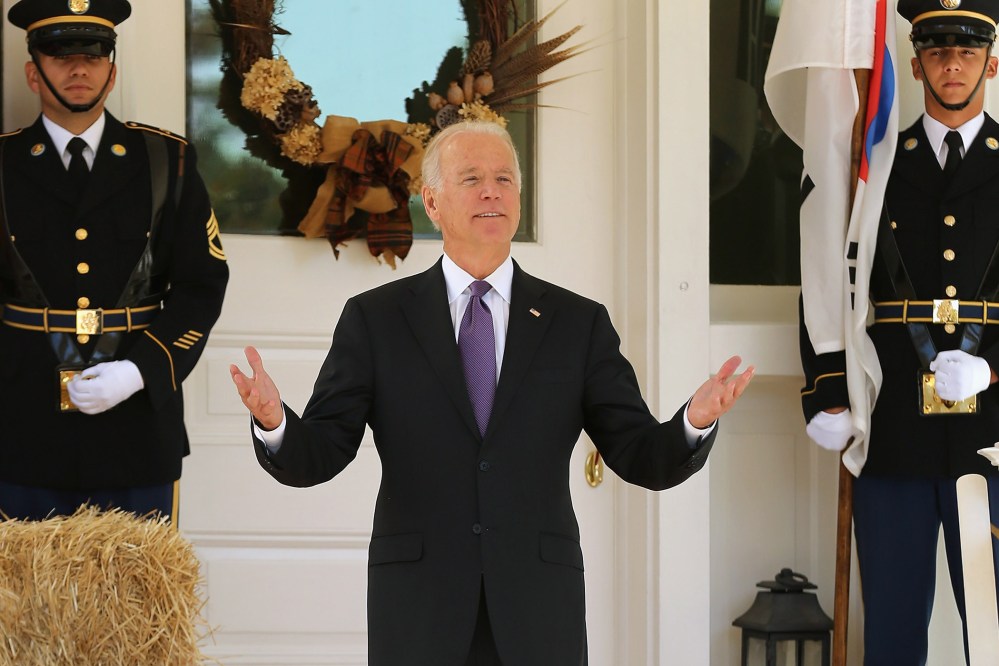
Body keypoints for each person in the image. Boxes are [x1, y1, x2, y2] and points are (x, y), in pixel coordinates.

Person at [231, 120, 754, 665]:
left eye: (504, 179)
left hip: (537, 606)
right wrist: (275, 423)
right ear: (431, 203)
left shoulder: (577, 323)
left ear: (518, 202)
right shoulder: (376, 319)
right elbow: (322, 451)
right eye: (472, 177)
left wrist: (694, 420)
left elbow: (640, 453)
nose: (491, 191)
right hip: (419, 605)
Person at [800, 1, 999, 663]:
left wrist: (992, 366)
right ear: (912, 66)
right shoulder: (873, 164)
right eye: (937, 51)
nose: (951, 64)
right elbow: (827, 269)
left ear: (991, 63)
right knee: (889, 633)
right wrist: (824, 390)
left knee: (996, 635)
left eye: (966, 51)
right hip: (892, 429)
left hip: (992, 435)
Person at [0, 0, 229, 523]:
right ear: (33, 73)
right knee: (26, 603)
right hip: (21, 424)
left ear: (112, 69)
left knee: (137, 601)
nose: (79, 68)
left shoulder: (166, 162)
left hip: (136, 427)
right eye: (60, 54)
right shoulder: (3, 166)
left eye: (94, 53)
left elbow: (201, 285)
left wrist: (140, 370)